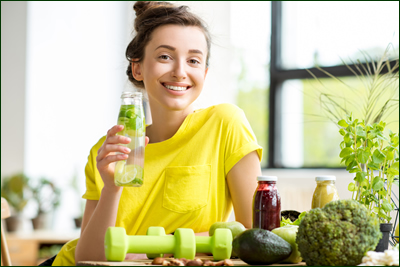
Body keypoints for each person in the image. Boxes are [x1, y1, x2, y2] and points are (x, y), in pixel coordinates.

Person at [52, 2, 262, 265]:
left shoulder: (225, 125)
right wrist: (112, 188)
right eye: (165, 56)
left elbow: (256, 238)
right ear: (137, 67)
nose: (180, 72)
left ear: (204, 73)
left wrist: (154, 250)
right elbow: (88, 259)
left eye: (194, 60)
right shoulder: (107, 151)